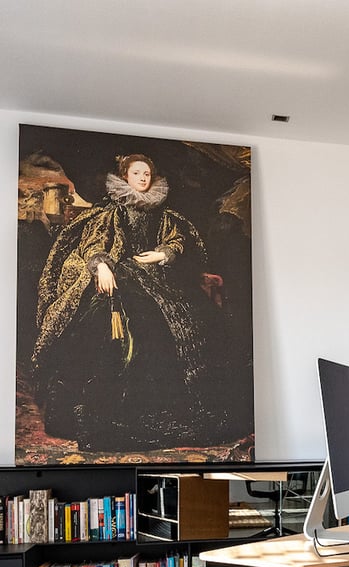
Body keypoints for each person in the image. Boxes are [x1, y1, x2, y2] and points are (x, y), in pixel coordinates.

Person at [32, 153, 247, 452]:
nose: (143, 178)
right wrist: (102, 266)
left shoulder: (163, 214)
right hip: (120, 278)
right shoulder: (110, 212)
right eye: (137, 173)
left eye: (147, 173)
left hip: (160, 280)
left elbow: (177, 240)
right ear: (125, 177)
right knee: (130, 326)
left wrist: (163, 253)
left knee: (199, 322)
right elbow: (93, 243)